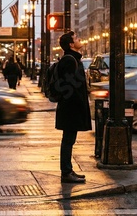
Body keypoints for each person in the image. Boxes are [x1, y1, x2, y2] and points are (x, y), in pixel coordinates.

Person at [55, 31, 92, 183]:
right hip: (70, 108)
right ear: (71, 44)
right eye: (76, 39)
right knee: (68, 140)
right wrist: (79, 105)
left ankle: (68, 170)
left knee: (69, 140)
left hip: (71, 107)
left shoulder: (73, 59)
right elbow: (69, 87)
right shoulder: (69, 60)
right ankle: (66, 173)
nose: (79, 39)